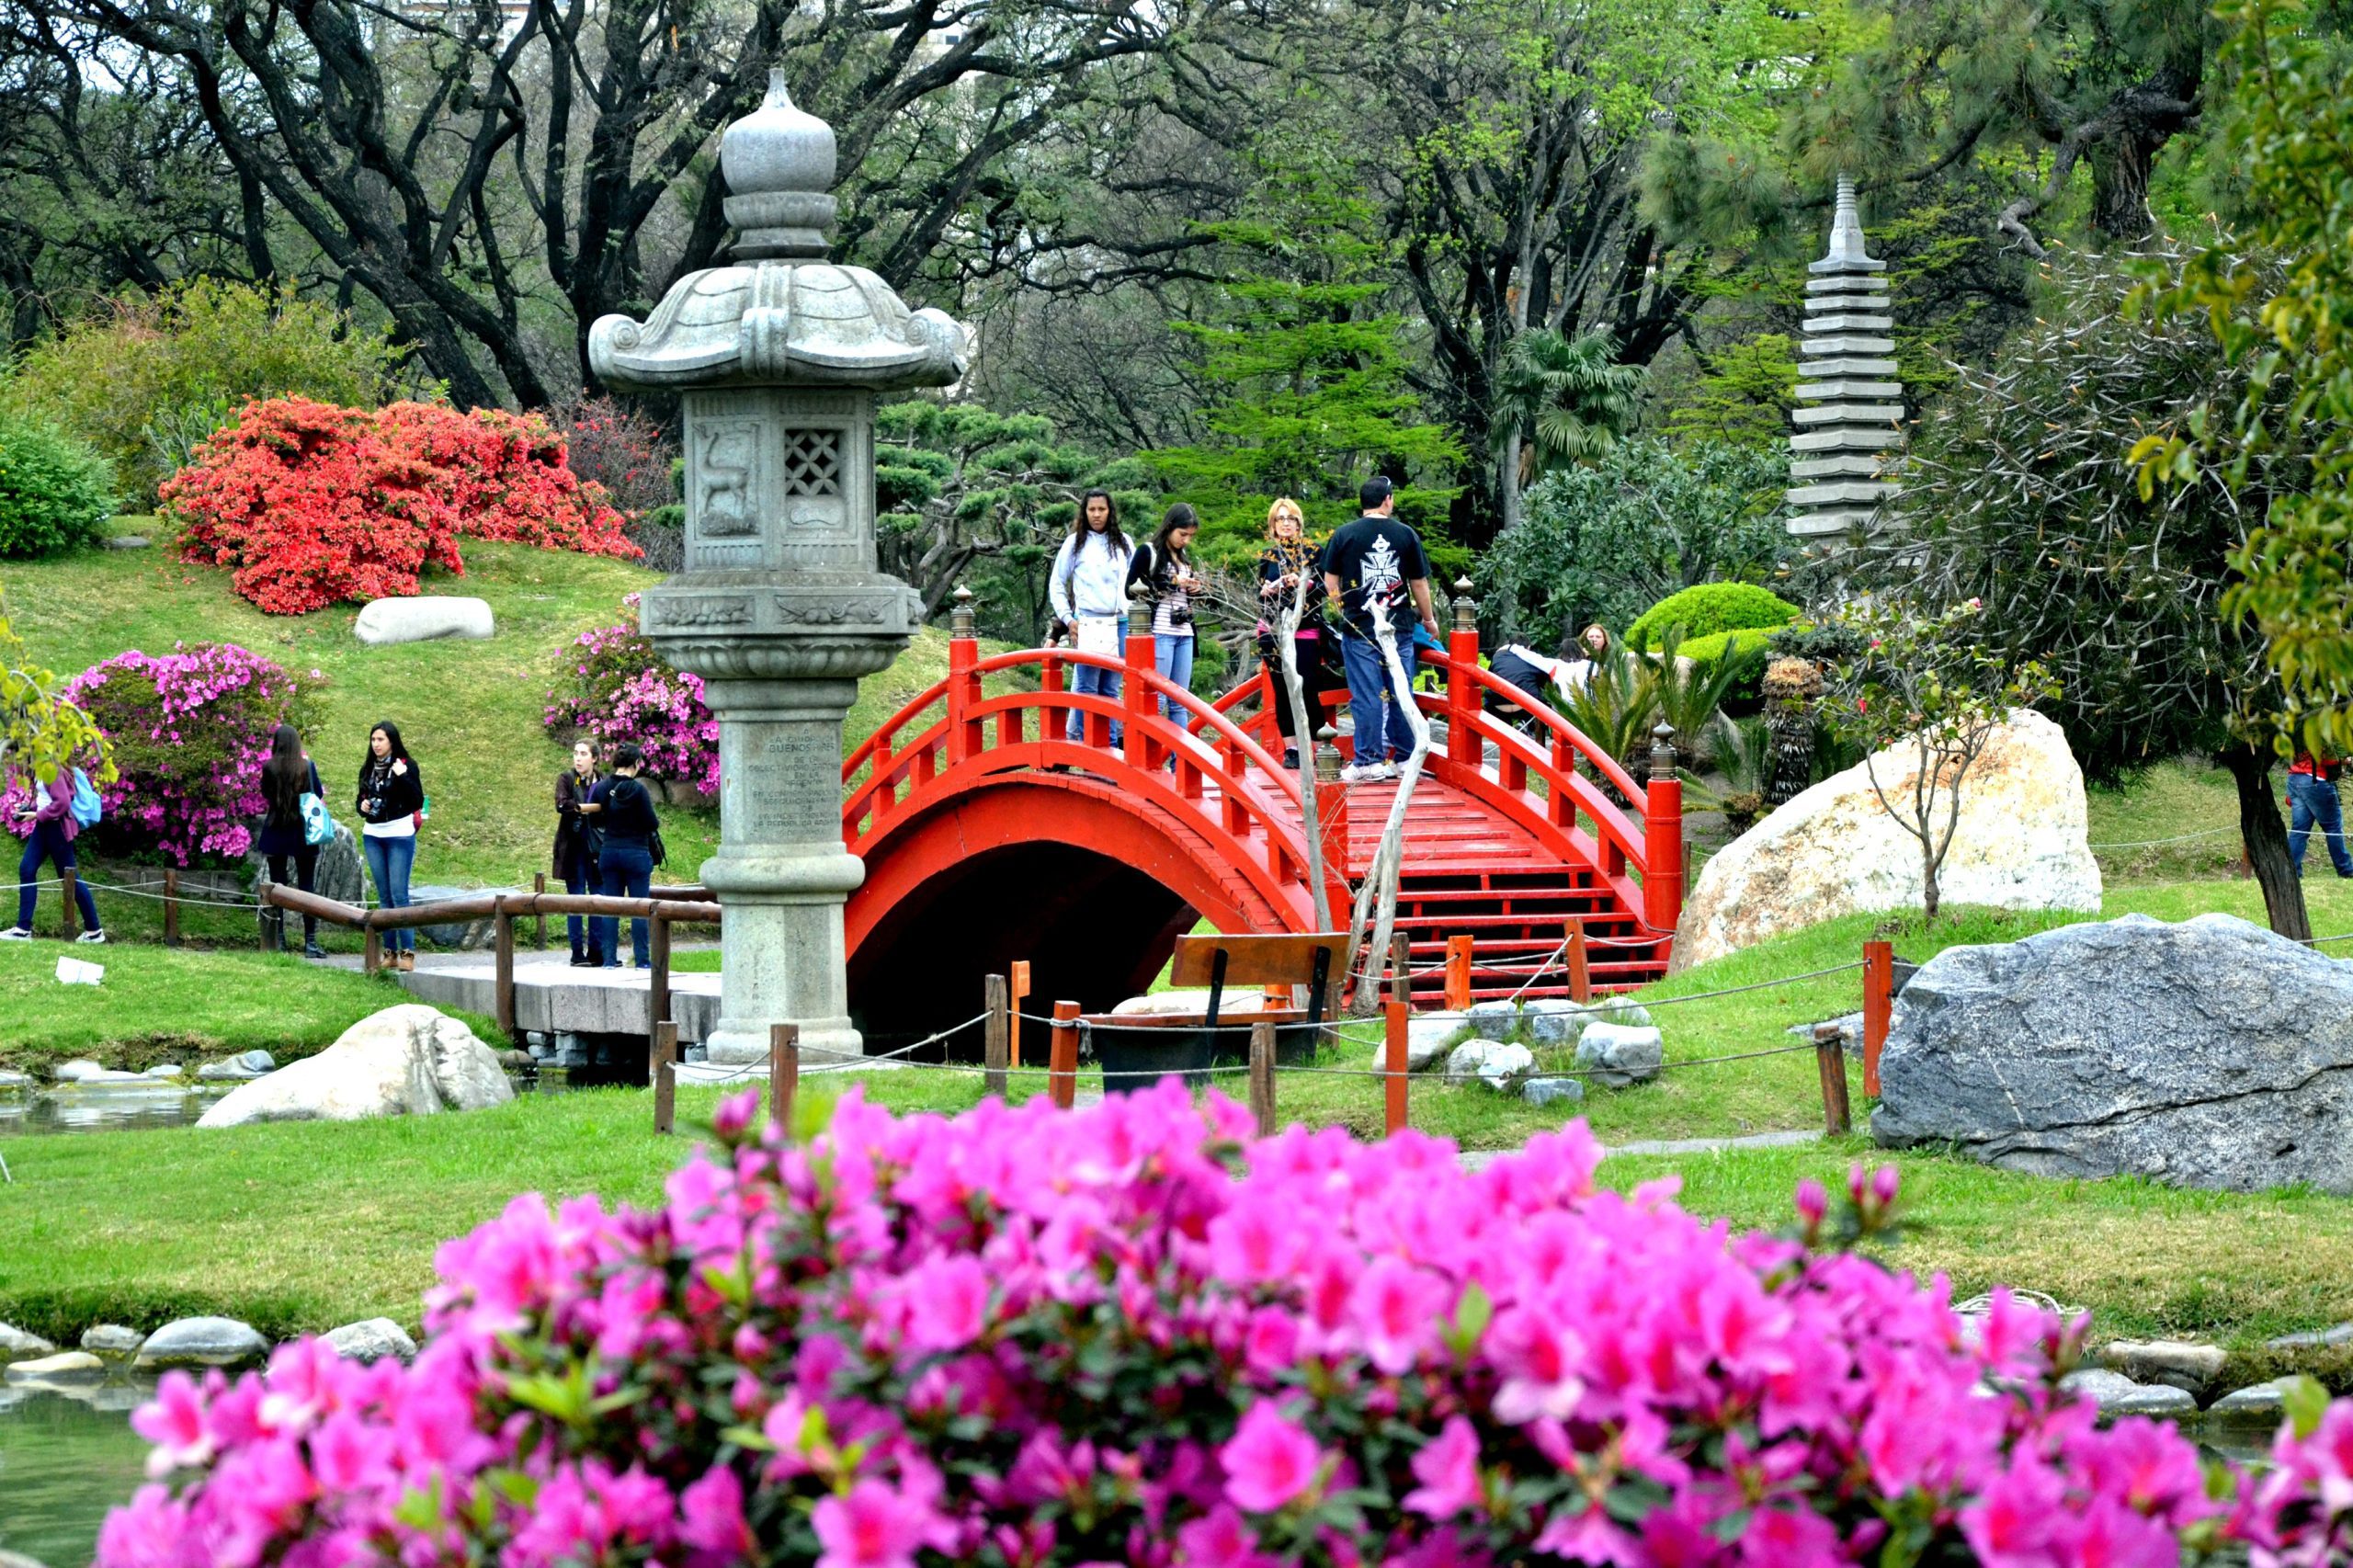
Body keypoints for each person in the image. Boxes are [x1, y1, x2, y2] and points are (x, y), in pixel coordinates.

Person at [1322, 475, 1439, 782]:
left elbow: (1330, 580)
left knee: (1367, 693)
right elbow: (1418, 583)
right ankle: (1403, 757)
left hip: (1359, 625)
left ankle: (1369, 761)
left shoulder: (1344, 535)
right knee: (1401, 690)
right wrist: (1428, 620)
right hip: (1398, 625)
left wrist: (1343, 609)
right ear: (1387, 499)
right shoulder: (1405, 534)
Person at [1046, 489, 1133, 745]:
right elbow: (1057, 584)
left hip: (1120, 621)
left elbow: (1136, 580)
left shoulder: (1124, 543)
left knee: (1110, 688)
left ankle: (1109, 746)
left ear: (1110, 512)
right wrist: (1068, 618)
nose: (1097, 515)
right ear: (1085, 512)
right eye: (1092, 509)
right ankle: (1091, 748)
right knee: (1087, 688)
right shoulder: (1075, 543)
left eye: (1102, 509)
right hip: (1089, 621)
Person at [1256, 496, 1332, 770]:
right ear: (1273, 525)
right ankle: (1291, 749)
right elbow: (1258, 595)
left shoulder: (1314, 551)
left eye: (1291, 518)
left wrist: (1304, 582)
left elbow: (1325, 587)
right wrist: (1266, 591)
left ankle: (1316, 745)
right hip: (1272, 629)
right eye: (1280, 519)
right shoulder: (1268, 555)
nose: (1286, 523)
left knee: (1308, 686)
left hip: (1305, 627)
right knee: (1281, 689)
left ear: (1299, 523)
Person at [1, 762, 105, 943]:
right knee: (27, 869)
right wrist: (31, 808)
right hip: (44, 828)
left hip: (57, 829)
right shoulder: (42, 767)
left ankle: (94, 931)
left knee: (70, 877)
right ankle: (23, 929)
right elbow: (48, 797)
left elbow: (63, 801)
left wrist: (38, 815)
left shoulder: (52, 768)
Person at [1128, 503, 1204, 736]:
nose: (1186, 540)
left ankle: (1177, 763)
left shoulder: (1184, 558)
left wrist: (1196, 589)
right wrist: (1171, 583)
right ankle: (1149, 759)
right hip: (1160, 631)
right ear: (1169, 527)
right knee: (1157, 698)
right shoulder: (1148, 552)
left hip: (1184, 632)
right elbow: (1130, 588)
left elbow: (1196, 598)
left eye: (1190, 536)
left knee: (1180, 700)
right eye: (1183, 534)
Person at [356, 721, 425, 972]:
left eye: (381, 739)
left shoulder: (406, 766)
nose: (376, 744)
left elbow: (417, 799)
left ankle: (407, 953)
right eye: (373, 739)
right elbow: (361, 799)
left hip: (399, 834)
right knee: (384, 897)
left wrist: (403, 776)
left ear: (392, 741)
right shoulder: (367, 768)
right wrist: (361, 807)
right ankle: (389, 952)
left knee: (399, 895)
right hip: (373, 834)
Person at [585, 741, 661, 969]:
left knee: (611, 907)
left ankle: (609, 959)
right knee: (639, 908)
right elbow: (651, 823)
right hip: (636, 853)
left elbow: (595, 819)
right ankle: (643, 961)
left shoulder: (602, 787)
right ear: (636, 764)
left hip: (609, 852)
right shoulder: (638, 790)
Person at [256, 723, 327, 959]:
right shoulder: (307, 767)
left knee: (277, 887)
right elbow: (317, 793)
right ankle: (310, 942)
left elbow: (265, 794)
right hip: (303, 832)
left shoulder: (269, 767)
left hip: (276, 829)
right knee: (307, 888)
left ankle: (280, 939)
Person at [553, 740, 604, 967]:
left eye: (583, 753)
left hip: (596, 849)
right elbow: (562, 804)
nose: (578, 758)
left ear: (594, 758)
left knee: (598, 899)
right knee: (576, 901)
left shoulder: (602, 780)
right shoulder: (567, 778)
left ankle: (596, 950)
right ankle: (576, 952)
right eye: (575, 753)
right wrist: (584, 808)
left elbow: (609, 806)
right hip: (573, 849)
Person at [2288, 749, 2353, 878]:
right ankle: (2346, 869)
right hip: (2315, 779)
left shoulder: (2298, 733)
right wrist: (2344, 760)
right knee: (2333, 828)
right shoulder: (2321, 734)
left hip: (2294, 777)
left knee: (2300, 830)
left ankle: (2291, 871)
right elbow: (2329, 758)